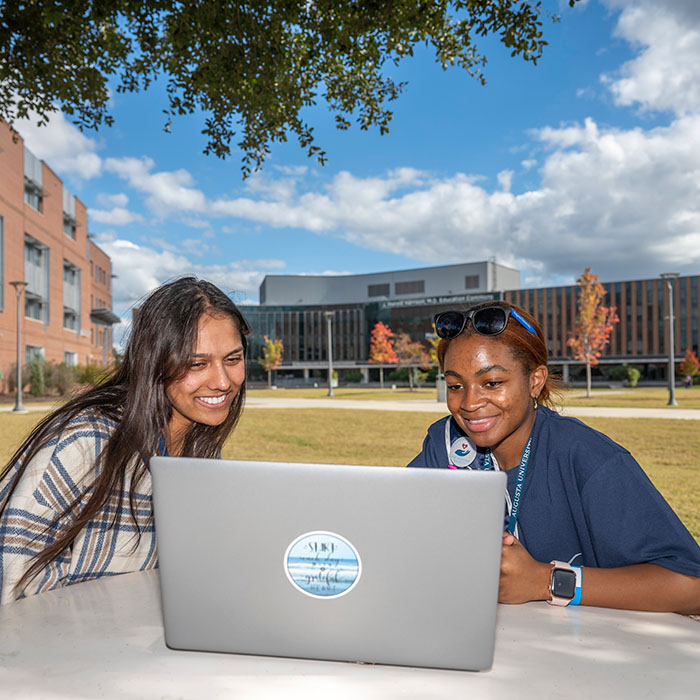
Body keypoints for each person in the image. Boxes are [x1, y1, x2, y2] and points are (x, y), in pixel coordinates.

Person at [409, 301, 700, 613]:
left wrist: (544, 581)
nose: (469, 402)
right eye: (455, 385)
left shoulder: (589, 459)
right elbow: (390, 533)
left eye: (492, 383)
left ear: (535, 381)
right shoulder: (443, 445)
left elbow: (690, 586)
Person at [0, 276, 250, 604]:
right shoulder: (85, 442)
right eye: (197, 364)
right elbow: (13, 589)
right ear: (155, 362)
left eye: (233, 359)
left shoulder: (200, 447)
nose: (222, 381)